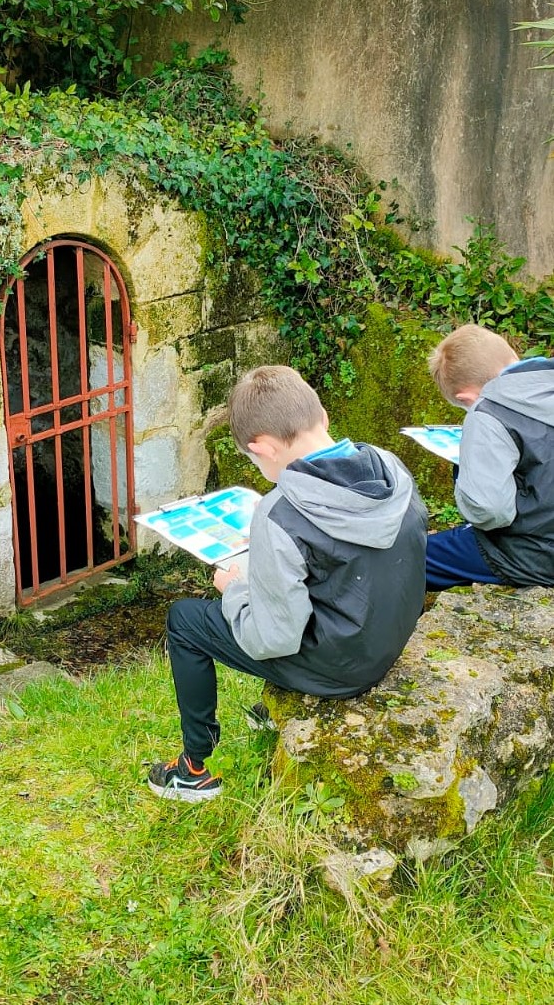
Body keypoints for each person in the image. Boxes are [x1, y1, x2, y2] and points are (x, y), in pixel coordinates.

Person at [147, 365, 428, 802]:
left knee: (185, 620)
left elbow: (273, 639)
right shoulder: (391, 468)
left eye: (254, 459)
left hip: (342, 668)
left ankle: (192, 769)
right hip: (386, 641)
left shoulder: (279, 514)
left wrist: (236, 590)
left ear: (262, 447)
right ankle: (271, 710)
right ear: (323, 418)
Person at [425, 323, 554, 592]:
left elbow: (491, 511)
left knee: (413, 558)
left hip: (537, 554)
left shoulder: (488, 412)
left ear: (466, 397)